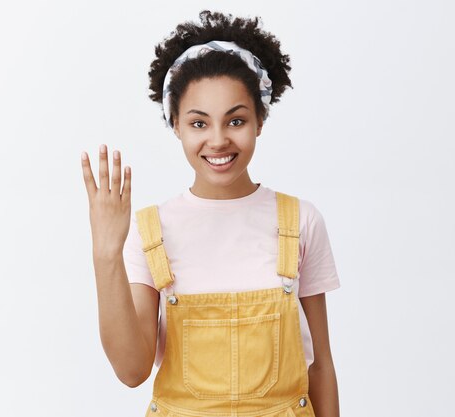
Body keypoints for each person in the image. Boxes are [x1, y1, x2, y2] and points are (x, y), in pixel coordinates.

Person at [81, 10, 341, 417]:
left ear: (260, 120)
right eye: (199, 123)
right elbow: (132, 371)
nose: (218, 140)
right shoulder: (152, 231)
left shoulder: (301, 222)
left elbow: (321, 365)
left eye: (235, 120)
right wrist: (105, 254)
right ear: (176, 126)